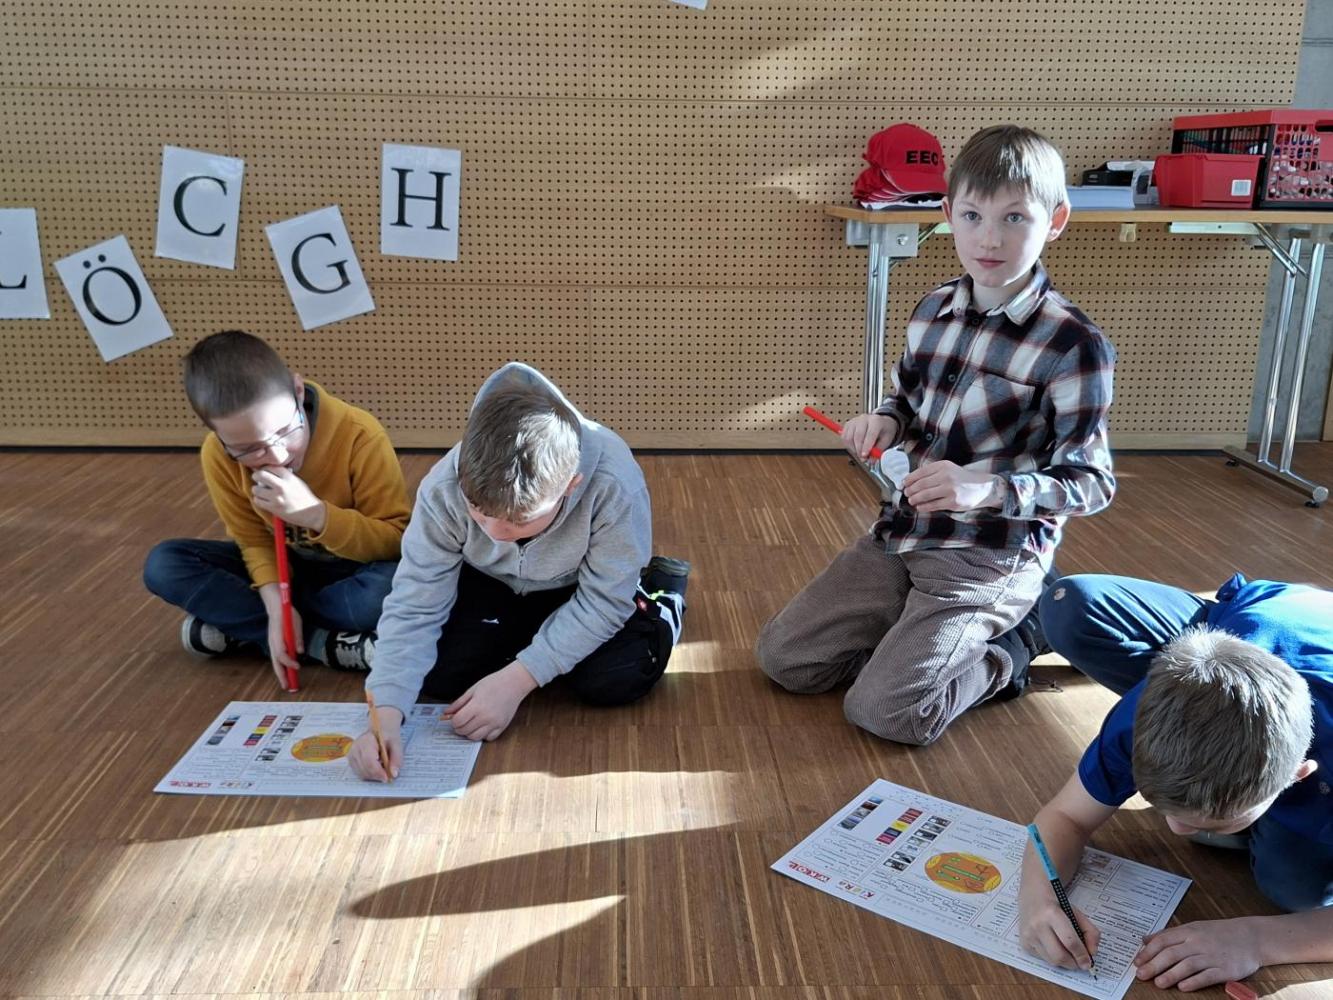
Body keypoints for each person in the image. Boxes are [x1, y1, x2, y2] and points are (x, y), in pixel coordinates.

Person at [757, 124, 1116, 745]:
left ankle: (1017, 642)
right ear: (948, 215)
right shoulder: (932, 309)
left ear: (1055, 221)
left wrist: (986, 489)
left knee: (886, 713)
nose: (989, 238)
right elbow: (906, 403)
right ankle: (919, 637)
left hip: (990, 554)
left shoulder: (1073, 344)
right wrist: (884, 421)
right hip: (905, 532)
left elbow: (1092, 483)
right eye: (973, 216)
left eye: (1014, 218)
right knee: (786, 661)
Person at [349, 362, 688, 777]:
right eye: (478, 512)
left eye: (518, 521)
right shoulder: (443, 487)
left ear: (571, 485)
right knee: (438, 677)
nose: (494, 534)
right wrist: (384, 715)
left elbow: (604, 601)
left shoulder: (615, 483)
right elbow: (416, 602)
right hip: (491, 582)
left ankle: (664, 593)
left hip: (577, 585)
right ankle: (530, 646)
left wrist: (517, 680)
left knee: (617, 677)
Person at [1018, 572, 1333, 990]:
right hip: (1265, 613)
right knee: (1067, 602)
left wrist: (1258, 940)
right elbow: (1066, 816)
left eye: (1218, 821)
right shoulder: (1141, 720)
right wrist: (1037, 896)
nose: (1177, 830)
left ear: (1297, 775)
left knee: (1295, 890)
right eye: (1160, 804)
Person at [144, 330, 409, 688]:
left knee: (386, 590)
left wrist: (315, 514)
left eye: (285, 431)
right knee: (165, 564)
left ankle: (243, 626)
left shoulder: (359, 434)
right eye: (248, 450)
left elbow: (394, 541)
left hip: (353, 570)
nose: (277, 455)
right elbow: (253, 541)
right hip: (289, 573)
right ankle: (319, 643)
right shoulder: (218, 455)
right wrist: (274, 604)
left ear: (298, 391)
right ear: (219, 437)